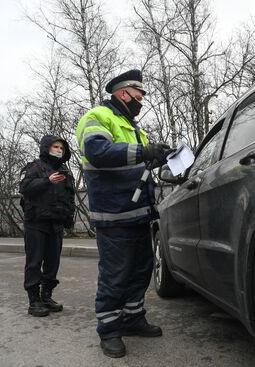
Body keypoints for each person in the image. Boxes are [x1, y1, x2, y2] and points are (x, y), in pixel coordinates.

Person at [75, 69, 173, 358]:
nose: (141, 100)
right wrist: (144, 152)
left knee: (141, 270)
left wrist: (160, 156)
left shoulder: (133, 126)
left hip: (138, 213)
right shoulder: (97, 117)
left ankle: (132, 319)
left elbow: (135, 163)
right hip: (114, 214)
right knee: (115, 275)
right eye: (139, 95)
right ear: (124, 92)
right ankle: (109, 331)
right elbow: (99, 152)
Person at [19, 135, 75, 317]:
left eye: (61, 148)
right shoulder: (34, 167)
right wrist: (47, 181)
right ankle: (34, 301)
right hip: (36, 222)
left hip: (56, 223)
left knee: (52, 262)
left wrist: (69, 218)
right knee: (34, 262)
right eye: (55, 147)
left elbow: (70, 196)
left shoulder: (66, 171)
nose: (59, 150)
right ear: (46, 148)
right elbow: (25, 187)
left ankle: (46, 296)